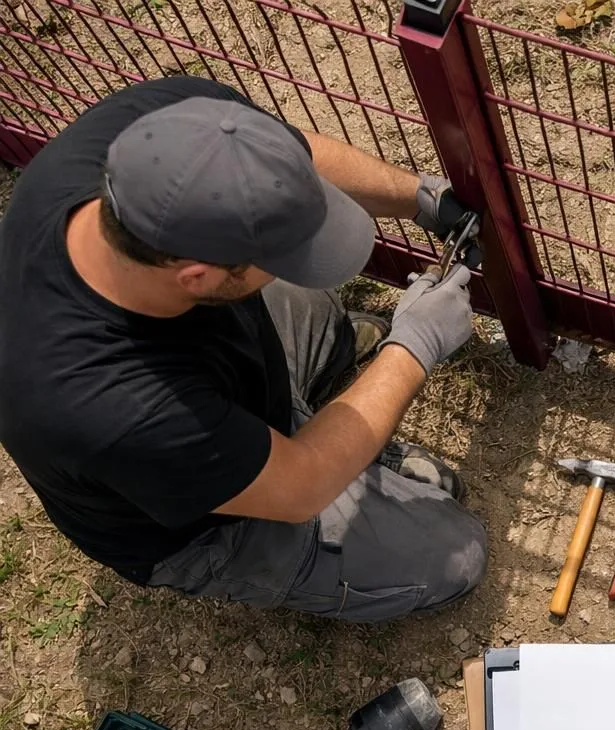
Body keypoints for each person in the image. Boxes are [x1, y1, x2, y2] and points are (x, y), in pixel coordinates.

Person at [0, 76, 489, 623]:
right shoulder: (115, 409)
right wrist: (414, 345)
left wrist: (422, 198)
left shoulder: (170, 136)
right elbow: (300, 485)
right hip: (203, 522)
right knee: (456, 554)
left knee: (318, 308)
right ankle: (318, 450)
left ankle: (325, 416)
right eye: (275, 255)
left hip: (204, 388)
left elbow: (294, 162)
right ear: (197, 275)